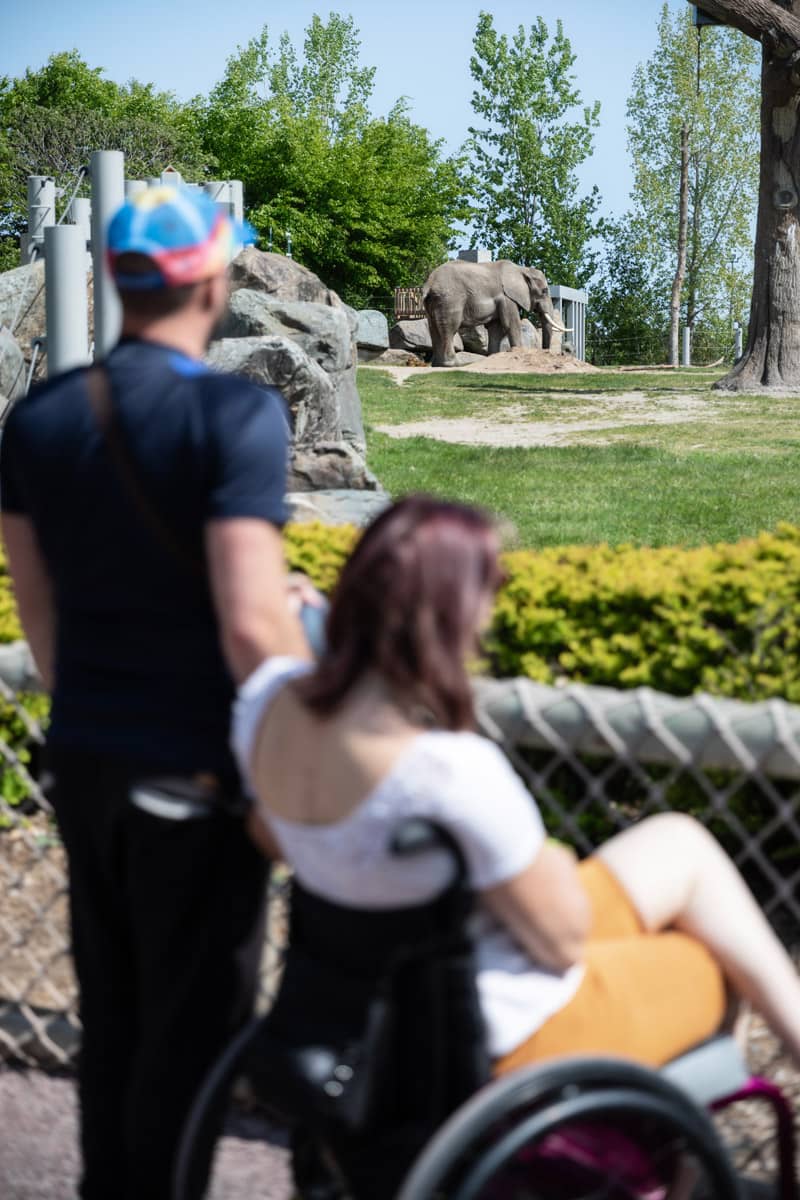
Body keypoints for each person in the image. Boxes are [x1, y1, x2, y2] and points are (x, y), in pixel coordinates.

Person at [232, 493, 800, 1077]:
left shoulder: (264, 707)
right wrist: (548, 860)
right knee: (711, 960)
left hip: (376, 991)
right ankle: (652, 1163)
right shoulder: (447, 773)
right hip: (497, 1031)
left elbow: (270, 833)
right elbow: (561, 942)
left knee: (680, 844)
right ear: (454, 613)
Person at [0, 186, 310, 1200]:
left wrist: (98, 708)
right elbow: (249, 623)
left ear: (117, 282)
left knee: (116, 1016)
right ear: (212, 281)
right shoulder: (236, 414)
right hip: (197, 778)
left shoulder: (39, 418)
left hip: (85, 758)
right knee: (192, 1037)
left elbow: (39, 613)